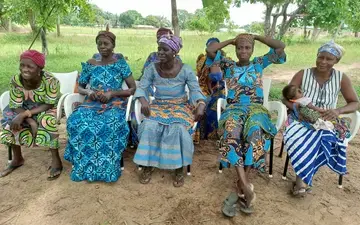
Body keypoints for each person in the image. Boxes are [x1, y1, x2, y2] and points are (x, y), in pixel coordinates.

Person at [206, 34, 286, 215]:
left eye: (247, 48)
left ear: (252, 49)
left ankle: (240, 186)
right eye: (239, 48)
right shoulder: (227, 64)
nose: (243, 51)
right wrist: (231, 40)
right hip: (234, 109)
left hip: (256, 110)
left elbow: (280, 46)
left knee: (255, 132)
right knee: (231, 132)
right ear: (235, 49)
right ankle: (246, 187)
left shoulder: (259, 63)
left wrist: (256, 37)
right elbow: (211, 50)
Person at [282, 40, 359, 197]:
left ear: (336, 61)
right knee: (303, 136)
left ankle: (303, 176)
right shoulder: (303, 74)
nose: (323, 62)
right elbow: (285, 98)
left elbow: (355, 102)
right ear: (316, 56)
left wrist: (338, 110)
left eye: (329, 59)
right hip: (300, 119)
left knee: (323, 136)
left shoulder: (341, 78)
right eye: (320, 57)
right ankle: (302, 179)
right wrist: (296, 108)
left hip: (328, 121)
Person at [64, 27, 136, 182]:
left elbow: (132, 88)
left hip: (114, 103)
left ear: (113, 45)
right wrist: (89, 93)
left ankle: (107, 168)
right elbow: (81, 87)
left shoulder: (120, 64)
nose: (102, 46)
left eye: (106, 44)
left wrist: (112, 93)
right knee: (77, 122)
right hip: (92, 103)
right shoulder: (91, 63)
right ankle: (84, 166)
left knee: (110, 124)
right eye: (99, 44)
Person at [133, 35, 206, 187]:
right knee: (149, 126)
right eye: (159, 49)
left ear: (174, 52)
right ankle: (147, 165)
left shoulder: (185, 69)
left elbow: (195, 89)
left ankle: (178, 167)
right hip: (159, 104)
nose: (160, 52)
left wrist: (200, 103)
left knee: (177, 128)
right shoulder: (151, 68)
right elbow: (142, 86)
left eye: (164, 49)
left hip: (180, 106)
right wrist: (143, 100)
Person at [0, 50, 63, 180]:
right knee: (10, 122)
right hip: (21, 109)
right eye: (22, 65)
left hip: (44, 107)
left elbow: (49, 104)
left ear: (40, 68)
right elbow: (15, 104)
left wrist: (27, 114)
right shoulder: (16, 80)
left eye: (30, 66)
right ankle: (17, 159)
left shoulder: (51, 81)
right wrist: (29, 120)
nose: (25, 69)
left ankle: (56, 160)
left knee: (47, 121)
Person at [194, 37, 228, 143]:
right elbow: (204, 77)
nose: (213, 49)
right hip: (203, 87)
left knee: (217, 100)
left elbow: (218, 78)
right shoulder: (202, 60)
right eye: (210, 46)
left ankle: (213, 135)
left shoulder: (224, 60)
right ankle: (198, 134)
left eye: (215, 46)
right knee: (200, 101)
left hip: (220, 88)